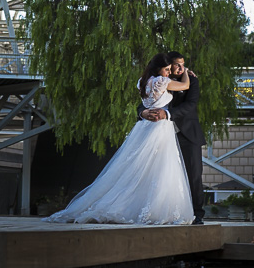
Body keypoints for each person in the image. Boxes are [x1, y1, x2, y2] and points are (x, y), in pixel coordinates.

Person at [46, 53, 194, 225]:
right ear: (157, 69)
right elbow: (185, 85)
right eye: (166, 69)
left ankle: (141, 204)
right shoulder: (161, 81)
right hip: (159, 127)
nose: (168, 73)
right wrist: (186, 72)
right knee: (161, 166)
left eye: (169, 69)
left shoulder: (142, 81)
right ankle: (155, 207)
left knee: (141, 166)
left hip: (145, 126)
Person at [141, 51, 206, 225]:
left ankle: (197, 214)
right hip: (162, 136)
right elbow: (144, 102)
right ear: (168, 65)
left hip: (187, 134)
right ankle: (167, 212)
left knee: (193, 175)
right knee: (163, 175)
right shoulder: (157, 80)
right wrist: (142, 112)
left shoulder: (192, 80)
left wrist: (168, 114)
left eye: (183, 64)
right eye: (177, 64)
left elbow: (190, 105)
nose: (180, 68)